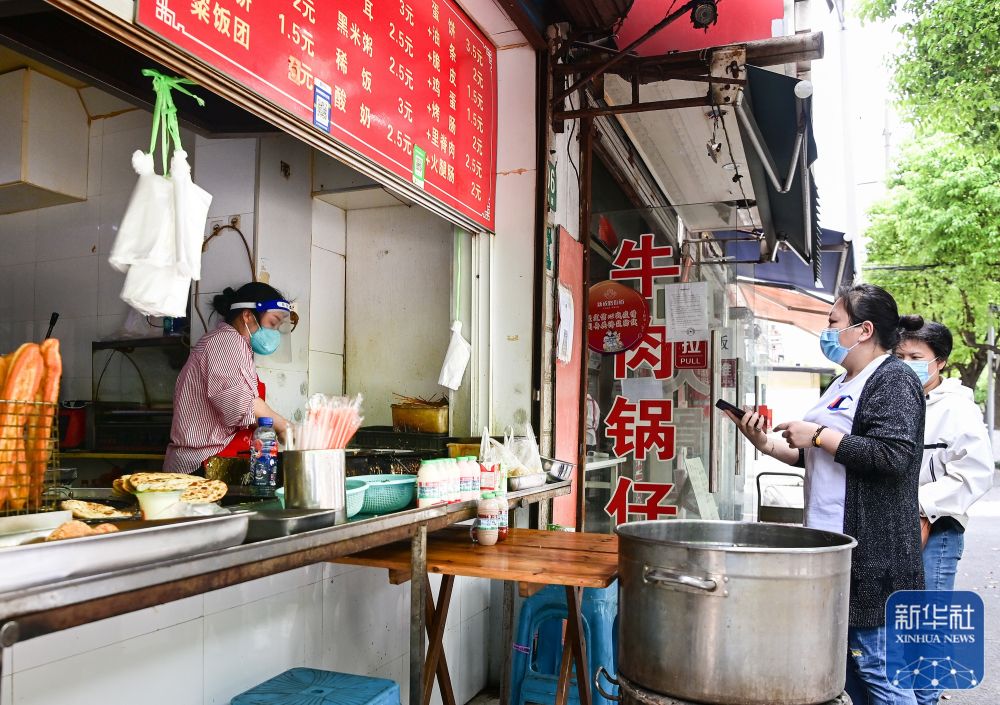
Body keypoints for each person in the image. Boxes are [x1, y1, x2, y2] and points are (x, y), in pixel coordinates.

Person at [726, 284, 925, 705]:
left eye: (834, 322)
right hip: (832, 548)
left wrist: (818, 434)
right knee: (846, 669)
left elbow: (894, 457)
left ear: (864, 329)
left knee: (878, 670)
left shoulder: (894, 378)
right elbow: (817, 459)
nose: (827, 331)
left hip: (874, 555)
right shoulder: (841, 382)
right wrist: (765, 444)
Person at [895, 320, 994, 705]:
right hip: (891, 524)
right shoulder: (893, 398)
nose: (906, 364)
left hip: (936, 528)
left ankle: (926, 699)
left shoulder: (958, 408)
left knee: (925, 626)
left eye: (915, 358)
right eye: (899, 356)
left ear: (940, 363)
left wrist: (920, 506)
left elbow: (975, 473)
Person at [164, 282, 292, 474]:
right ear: (248, 315)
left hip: (215, 462)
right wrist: (285, 427)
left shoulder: (239, 346)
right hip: (199, 467)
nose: (274, 333)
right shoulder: (225, 341)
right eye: (272, 323)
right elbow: (243, 404)